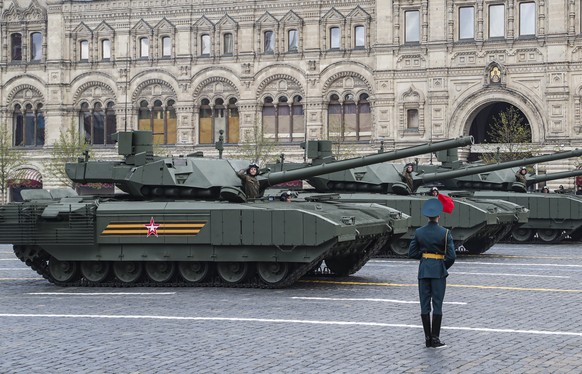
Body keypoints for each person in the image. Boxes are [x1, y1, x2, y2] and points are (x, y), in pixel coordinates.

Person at [408, 198, 456, 349]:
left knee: (424, 305)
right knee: (437, 304)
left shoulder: (419, 232)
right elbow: (452, 256)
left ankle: (427, 339)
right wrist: (442, 266)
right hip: (438, 270)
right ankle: (435, 338)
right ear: (438, 215)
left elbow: (412, 253)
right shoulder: (445, 233)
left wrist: (425, 259)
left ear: (427, 216)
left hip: (423, 270)